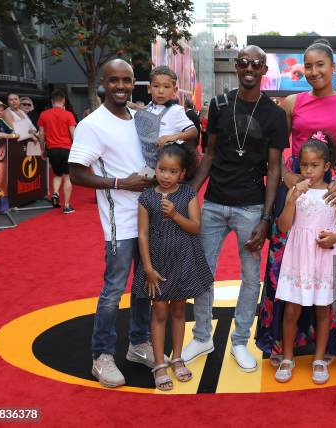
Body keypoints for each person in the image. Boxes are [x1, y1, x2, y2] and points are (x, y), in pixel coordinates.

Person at [256, 39, 336, 365]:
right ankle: (282, 345)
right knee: (283, 267)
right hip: (296, 193)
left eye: (322, 65)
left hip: (333, 193)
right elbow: (277, 150)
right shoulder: (292, 102)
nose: (315, 71)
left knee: (331, 268)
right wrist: (290, 181)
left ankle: (327, 345)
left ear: (333, 67)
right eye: (310, 65)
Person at [182, 45, 288, 372]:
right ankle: (202, 336)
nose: (249, 68)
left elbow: (275, 169)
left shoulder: (274, 114)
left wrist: (266, 218)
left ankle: (240, 341)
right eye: (243, 62)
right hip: (213, 203)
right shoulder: (219, 105)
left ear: (264, 69)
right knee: (203, 273)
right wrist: (188, 195)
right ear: (236, 65)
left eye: (256, 64)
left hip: (251, 207)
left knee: (251, 279)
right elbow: (209, 155)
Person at [69, 59, 158, 388]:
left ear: (134, 82)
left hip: (150, 220)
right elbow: (77, 174)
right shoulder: (92, 124)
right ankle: (101, 356)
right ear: (103, 83)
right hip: (120, 224)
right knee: (113, 292)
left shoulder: (142, 119)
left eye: (127, 80)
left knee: (145, 288)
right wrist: (122, 184)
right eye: (115, 80)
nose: (121, 86)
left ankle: (138, 345)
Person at [131, 142, 213, 390]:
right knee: (159, 312)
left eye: (173, 171)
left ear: (183, 173)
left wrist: (176, 214)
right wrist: (147, 267)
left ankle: (177, 358)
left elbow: (195, 228)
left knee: (179, 311)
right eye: (162, 169)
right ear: (154, 168)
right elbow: (142, 234)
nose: (166, 176)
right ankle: (159, 363)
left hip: (183, 260)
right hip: (156, 263)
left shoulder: (187, 194)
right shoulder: (146, 197)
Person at [274, 133, 336, 384]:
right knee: (291, 310)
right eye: (304, 165)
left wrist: (335, 237)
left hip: (324, 257)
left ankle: (319, 358)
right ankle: (287, 357)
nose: (308, 170)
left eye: (314, 165)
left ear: (327, 166)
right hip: (299, 256)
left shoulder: (333, 192)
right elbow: (284, 226)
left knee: (323, 310)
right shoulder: (296, 192)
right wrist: (292, 198)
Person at [133, 65, 198, 178]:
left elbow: (193, 132)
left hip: (165, 169)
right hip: (144, 164)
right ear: (149, 88)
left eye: (166, 87)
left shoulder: (176, 111)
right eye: (156, 86)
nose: (161, 91)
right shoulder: (148, 108)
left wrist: (171, 138)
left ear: (175, 90)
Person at [38, 89, 77, 213]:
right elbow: (73, 134)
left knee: (57, 174)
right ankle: (66, 206)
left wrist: (42, 149)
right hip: (66, 148)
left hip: (52, 149)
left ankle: (55, 193)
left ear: (52, 101)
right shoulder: (69, 115)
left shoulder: (44, 114)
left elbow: (41, 134)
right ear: (63, 101)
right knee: (67, 176)